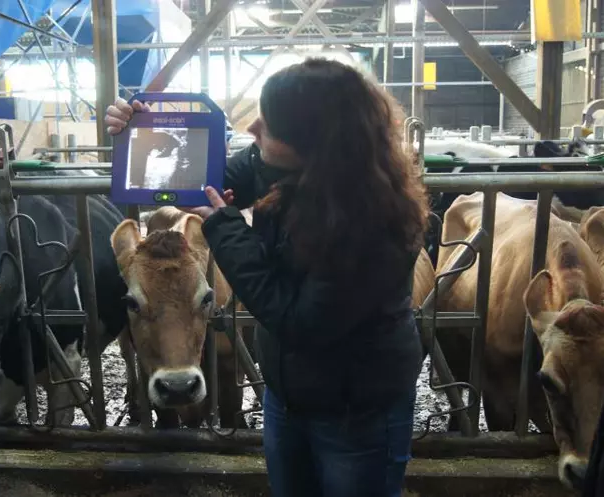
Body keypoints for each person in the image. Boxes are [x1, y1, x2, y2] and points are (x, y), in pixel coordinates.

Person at [106, 57, 428, 497]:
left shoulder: (375, 222)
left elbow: (301, 320)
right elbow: (198, 181)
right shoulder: (286, 167)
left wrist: (223, 228)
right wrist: (144, 133)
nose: (252, 130)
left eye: (269, 125)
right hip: (288, 394)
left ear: (313, 140)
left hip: (356, 411)